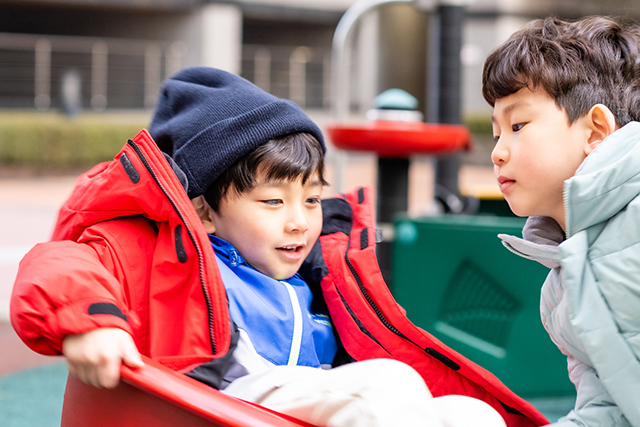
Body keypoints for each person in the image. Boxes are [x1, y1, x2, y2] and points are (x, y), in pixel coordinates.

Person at [11, 67, 545, 427]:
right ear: (203, 212)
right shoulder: (157, 252)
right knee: (388, 383)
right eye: (273, 202)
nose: (300, 223)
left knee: (471, 417)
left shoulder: (315, 274)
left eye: (312, 200)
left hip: (297, 409)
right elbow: (57, 261)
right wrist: (91, 322)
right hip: (213, 402)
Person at [482, 16, 640, 427]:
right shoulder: (559, 287)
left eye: (517, 126)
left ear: (595, 132)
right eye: (496, 133)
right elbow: (608, 408)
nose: (498, 152)